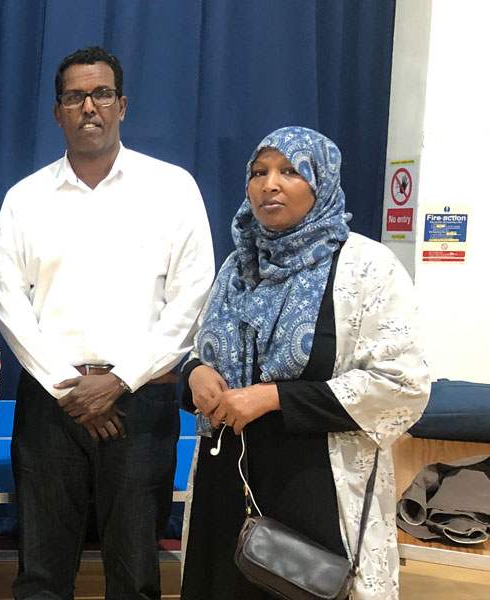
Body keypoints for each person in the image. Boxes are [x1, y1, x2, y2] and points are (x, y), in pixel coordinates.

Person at [0, 45, 216, 599]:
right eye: (74, 97)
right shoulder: (24, 199)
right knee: (40, 575)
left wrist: (118, 382)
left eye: (101, 94)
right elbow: (8, 302)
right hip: (50, 403)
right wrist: (69, 388)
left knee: (136, 576)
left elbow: (191, 299)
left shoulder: (172, 189)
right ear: (57, 112)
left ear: (122, 105)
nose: (88, 106)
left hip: (141, 402)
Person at [179, 126, 430, 599]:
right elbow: (199, 352)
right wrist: (196, 373)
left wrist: (273, 398)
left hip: (314, 491)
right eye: (259, 172)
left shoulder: (367, 266)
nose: (269, 184)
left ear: (322, 182)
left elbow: (403, 386)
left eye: (290, 171)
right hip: (227, 486)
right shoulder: (238, 267)